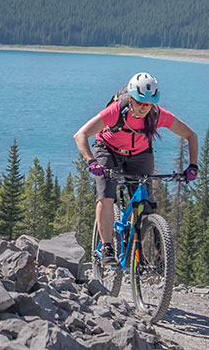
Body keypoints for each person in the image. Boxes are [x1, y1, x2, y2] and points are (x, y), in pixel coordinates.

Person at [73, 71, 199, 265]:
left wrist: (193, 165)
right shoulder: (116, 111)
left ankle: (139, 252)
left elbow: (191, 135)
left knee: (145, 206)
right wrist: (92, 161)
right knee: (106, 196)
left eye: (148, 105)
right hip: (108, 149)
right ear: (130, 98)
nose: (143, 109)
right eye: (140, 103)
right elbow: (80, 135)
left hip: (140, 154)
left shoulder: (157, 115)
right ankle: (106, 246)